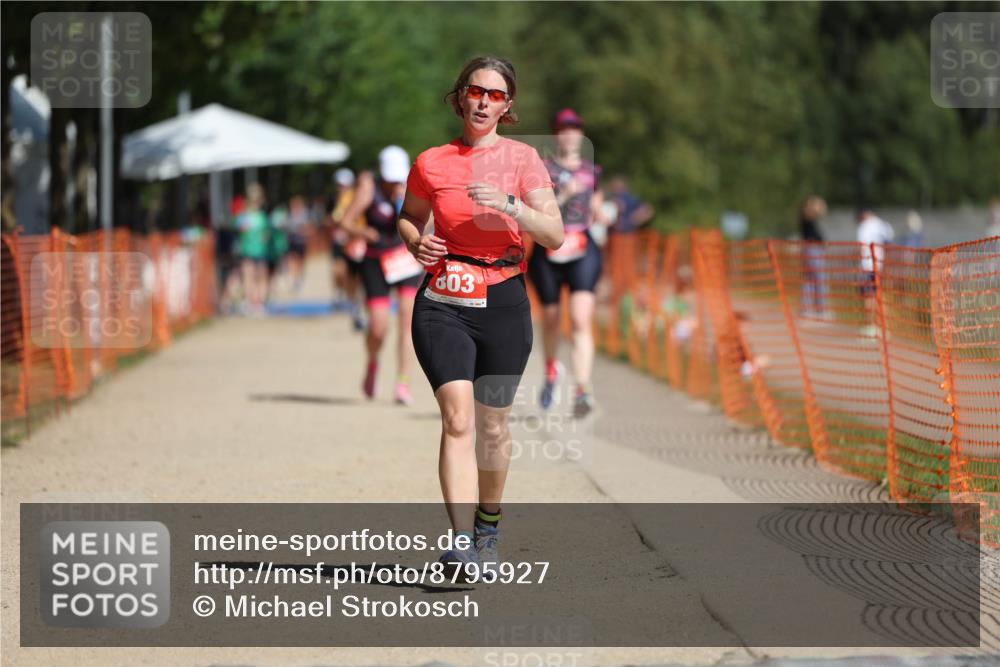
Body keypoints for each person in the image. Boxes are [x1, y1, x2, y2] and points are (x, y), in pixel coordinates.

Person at [397, 56, 563, 572]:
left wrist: (512, 205)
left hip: (503, 300)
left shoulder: (523, 159)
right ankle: (461, 540)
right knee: (458, 418)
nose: (483, 101)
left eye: (495, 94)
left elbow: (555, 236)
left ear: (507, 105)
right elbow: (408, 217)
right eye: (476, 91)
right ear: (460, 96)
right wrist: (415, 243)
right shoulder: (431, 162)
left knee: (493, 428)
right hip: (443, 299)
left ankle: (488, 526)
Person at [527, 108, 608, 417]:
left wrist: (601, 213)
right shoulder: (543, 170)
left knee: (580, 320)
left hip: (582, 248)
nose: (570, 134)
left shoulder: (592, 171)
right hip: (549, 249)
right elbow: (537, 210)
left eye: (576, 129)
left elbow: (596, 204)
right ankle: (551, 371)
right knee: (550, 318)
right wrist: (564, 194)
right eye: (564, 128)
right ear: (555, 133)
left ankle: (582, 389)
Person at [338, 147, 423, 405]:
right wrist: (361, 233)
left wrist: (402, 202)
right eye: (390, 177)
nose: (394, 182)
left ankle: (403, 382)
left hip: (405, 259)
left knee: (407, 322)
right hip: (375, 261)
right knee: (378, 327)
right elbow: (345, 221)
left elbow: (425, 224)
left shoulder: (412, 187)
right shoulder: (368, 187)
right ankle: (373, 363)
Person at [329, 168, 366, 331]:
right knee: (343, 273)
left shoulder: (357, 197)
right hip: (341, 243)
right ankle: (353, 306)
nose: (341, 187)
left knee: (359, 278)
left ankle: (358, 310)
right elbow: (333, 219)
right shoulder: (336, 199)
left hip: (357, 242)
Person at [856, 207, 894, 335]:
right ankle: (884, 326)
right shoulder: (881, 224)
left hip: (867, 265)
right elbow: (889, 240)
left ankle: (871, 325)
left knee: (868, 296)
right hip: (879, 264)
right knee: (879, 295)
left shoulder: (864, 226)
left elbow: (861, 245)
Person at [237, 183, 270, 315]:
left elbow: (266, 235)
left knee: (260, 277)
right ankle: (250, 302)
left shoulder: (262, 217)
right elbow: (241, 232)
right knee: (249, 277)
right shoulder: (244, 216)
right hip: (248, 251)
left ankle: (259, 302)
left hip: (260, 251)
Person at [799, 195, 827, 317]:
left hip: (811, 249)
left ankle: (809, 308)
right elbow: (816, 212)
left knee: (810, 279)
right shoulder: (806, 217)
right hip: (812, 249)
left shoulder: (809, 219)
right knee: (817, 278)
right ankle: (819, 308)